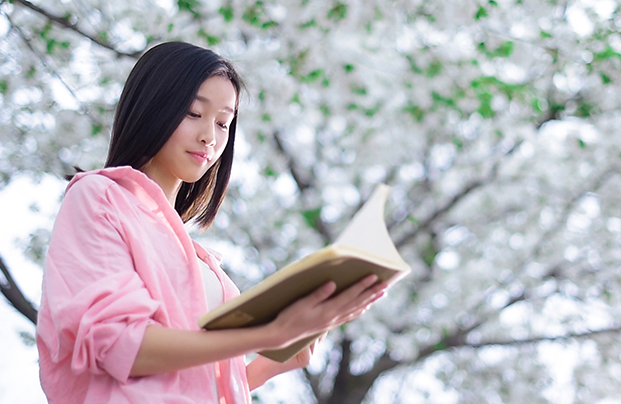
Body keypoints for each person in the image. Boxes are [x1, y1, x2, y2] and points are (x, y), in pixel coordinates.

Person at [35, 42, 388, 404]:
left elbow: (188, 383)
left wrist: (271, 362)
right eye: (193, 113)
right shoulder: (99, 197)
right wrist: (269, 332)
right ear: (153, 107)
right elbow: (118, 344)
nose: (211, 136)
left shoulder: (198, 257)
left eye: (223, 122)